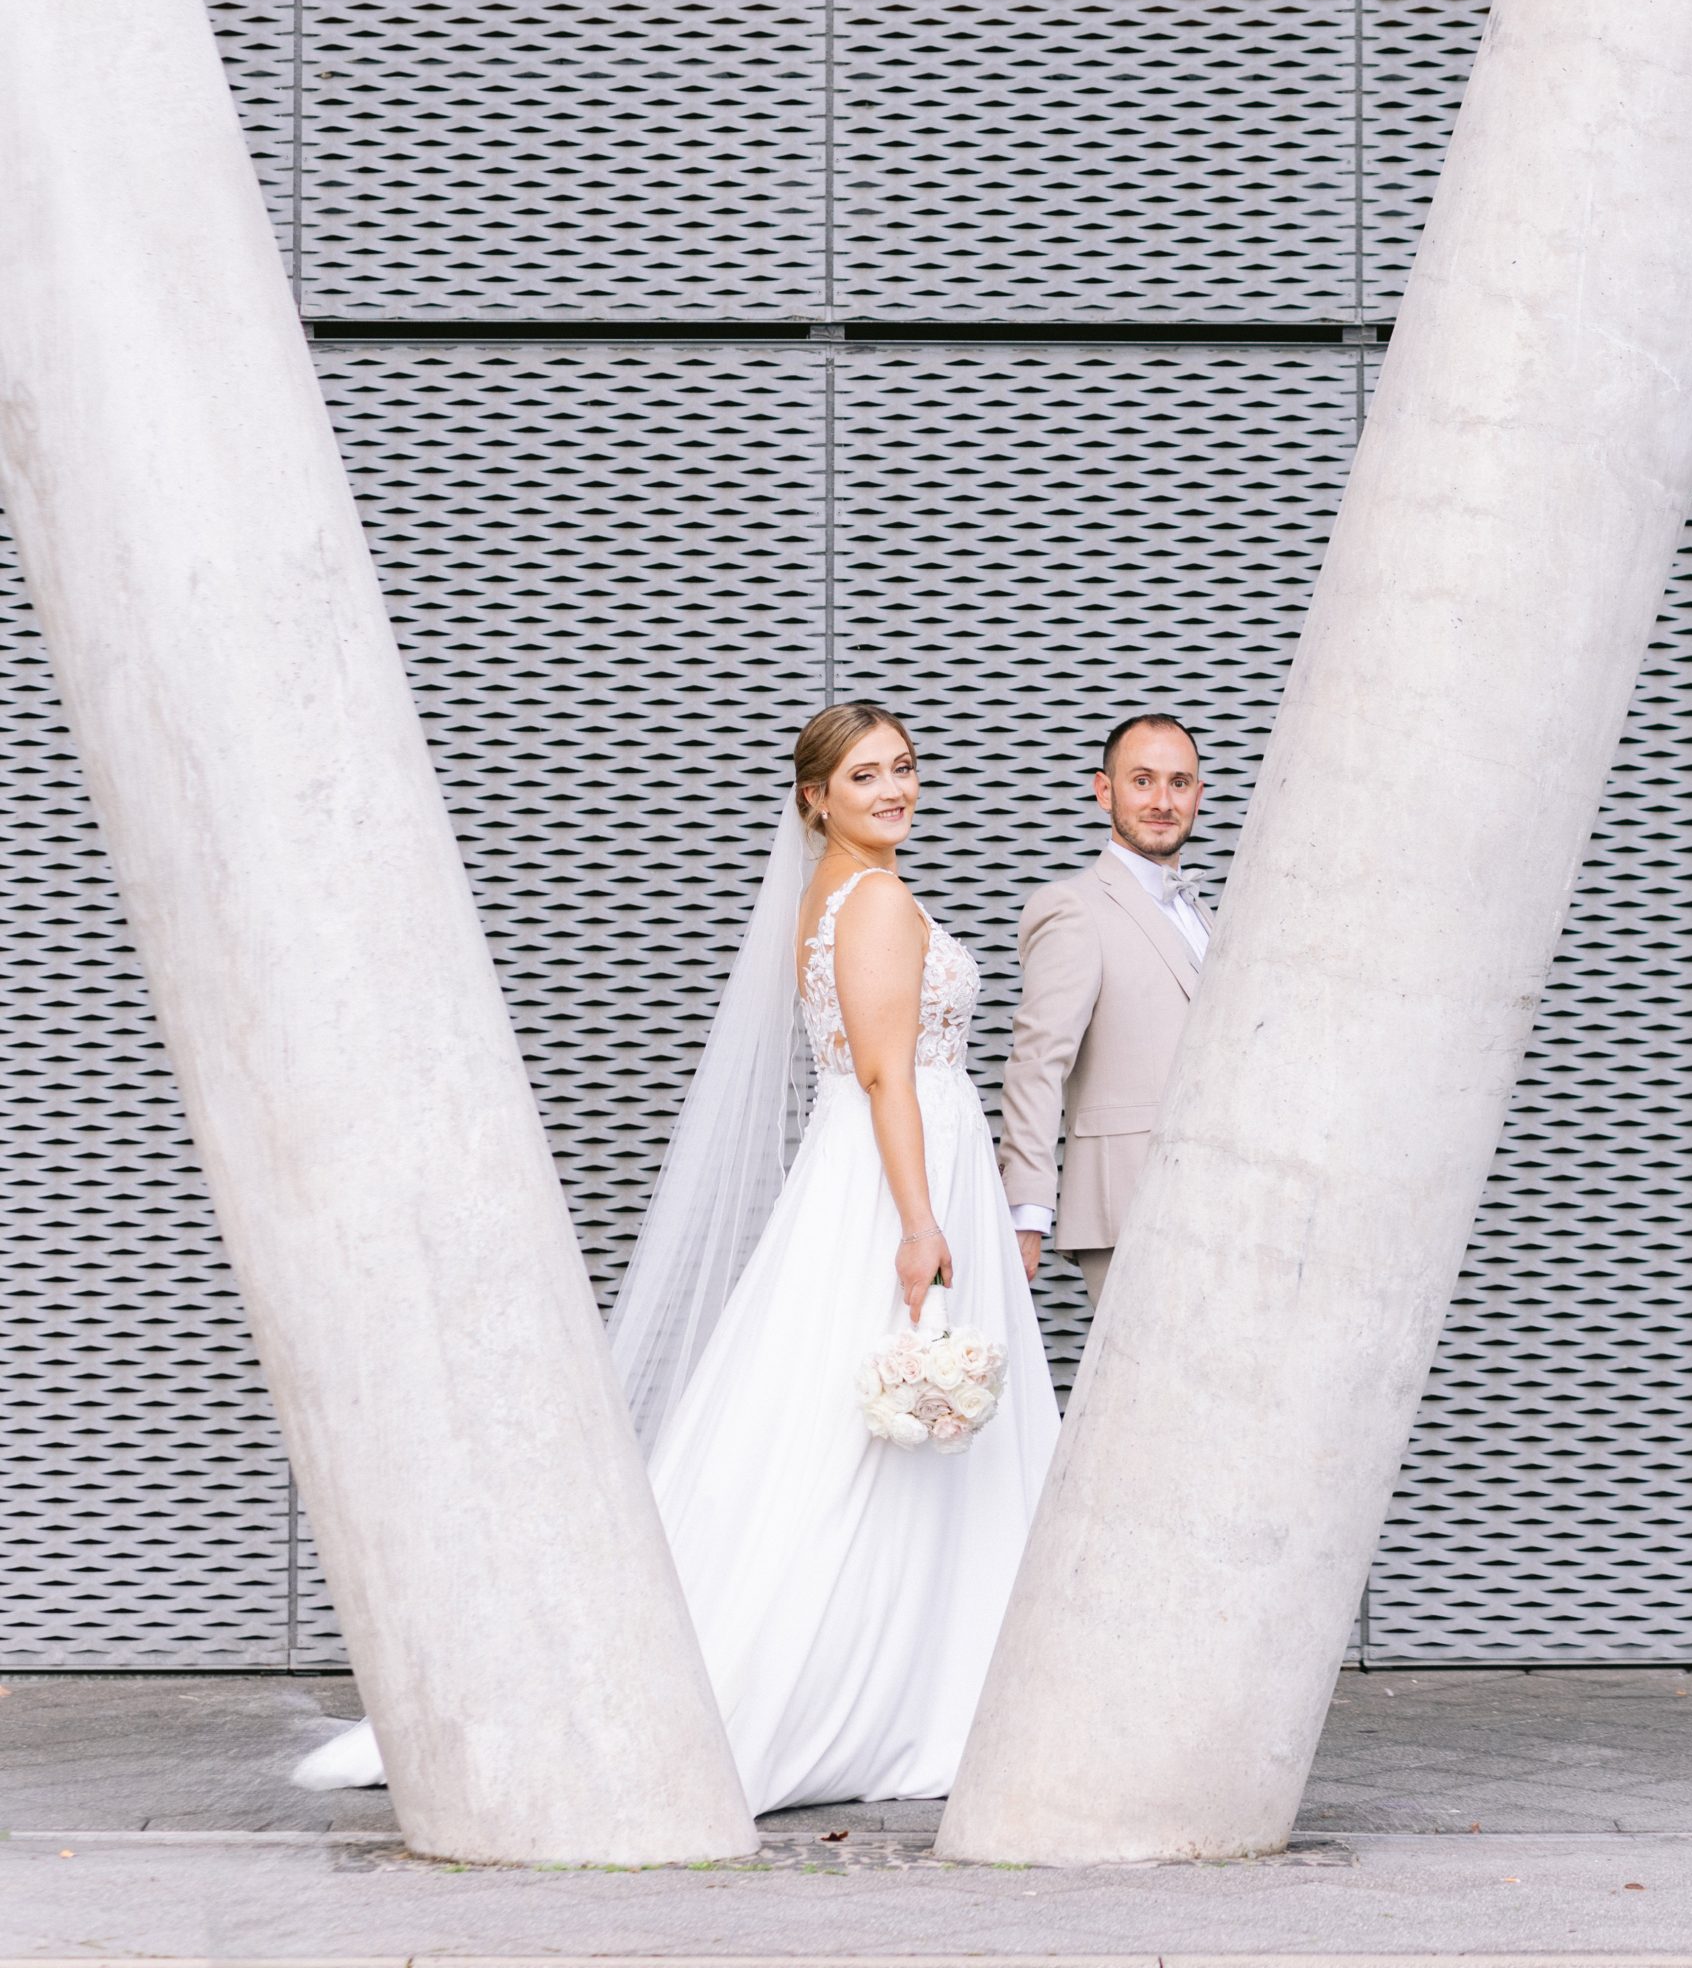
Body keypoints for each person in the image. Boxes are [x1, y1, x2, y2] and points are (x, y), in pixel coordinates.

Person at [294, 701, 1058, 1814]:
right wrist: (922, 1221)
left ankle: (912, 1663)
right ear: (817, 798)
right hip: (900, 1174)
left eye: (903, 767)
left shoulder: (825, 898)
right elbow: (891, 1074)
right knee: (866, 1427)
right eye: (865, 776)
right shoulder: (879, 900)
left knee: (835, 1422)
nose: (894, 788)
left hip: (871, 1165)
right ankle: (876, 1680)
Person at [1000, 712, 1211, 1310]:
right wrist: (1027, 1210)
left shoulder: (1205, 912)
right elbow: (1037, 1062)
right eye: (1142, 780)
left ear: (1198, 796)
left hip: (1221, 1205)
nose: (1162, 801)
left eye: (1178, 783)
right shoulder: (1072, 908)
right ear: (1104, 791)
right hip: (1130, 1206)